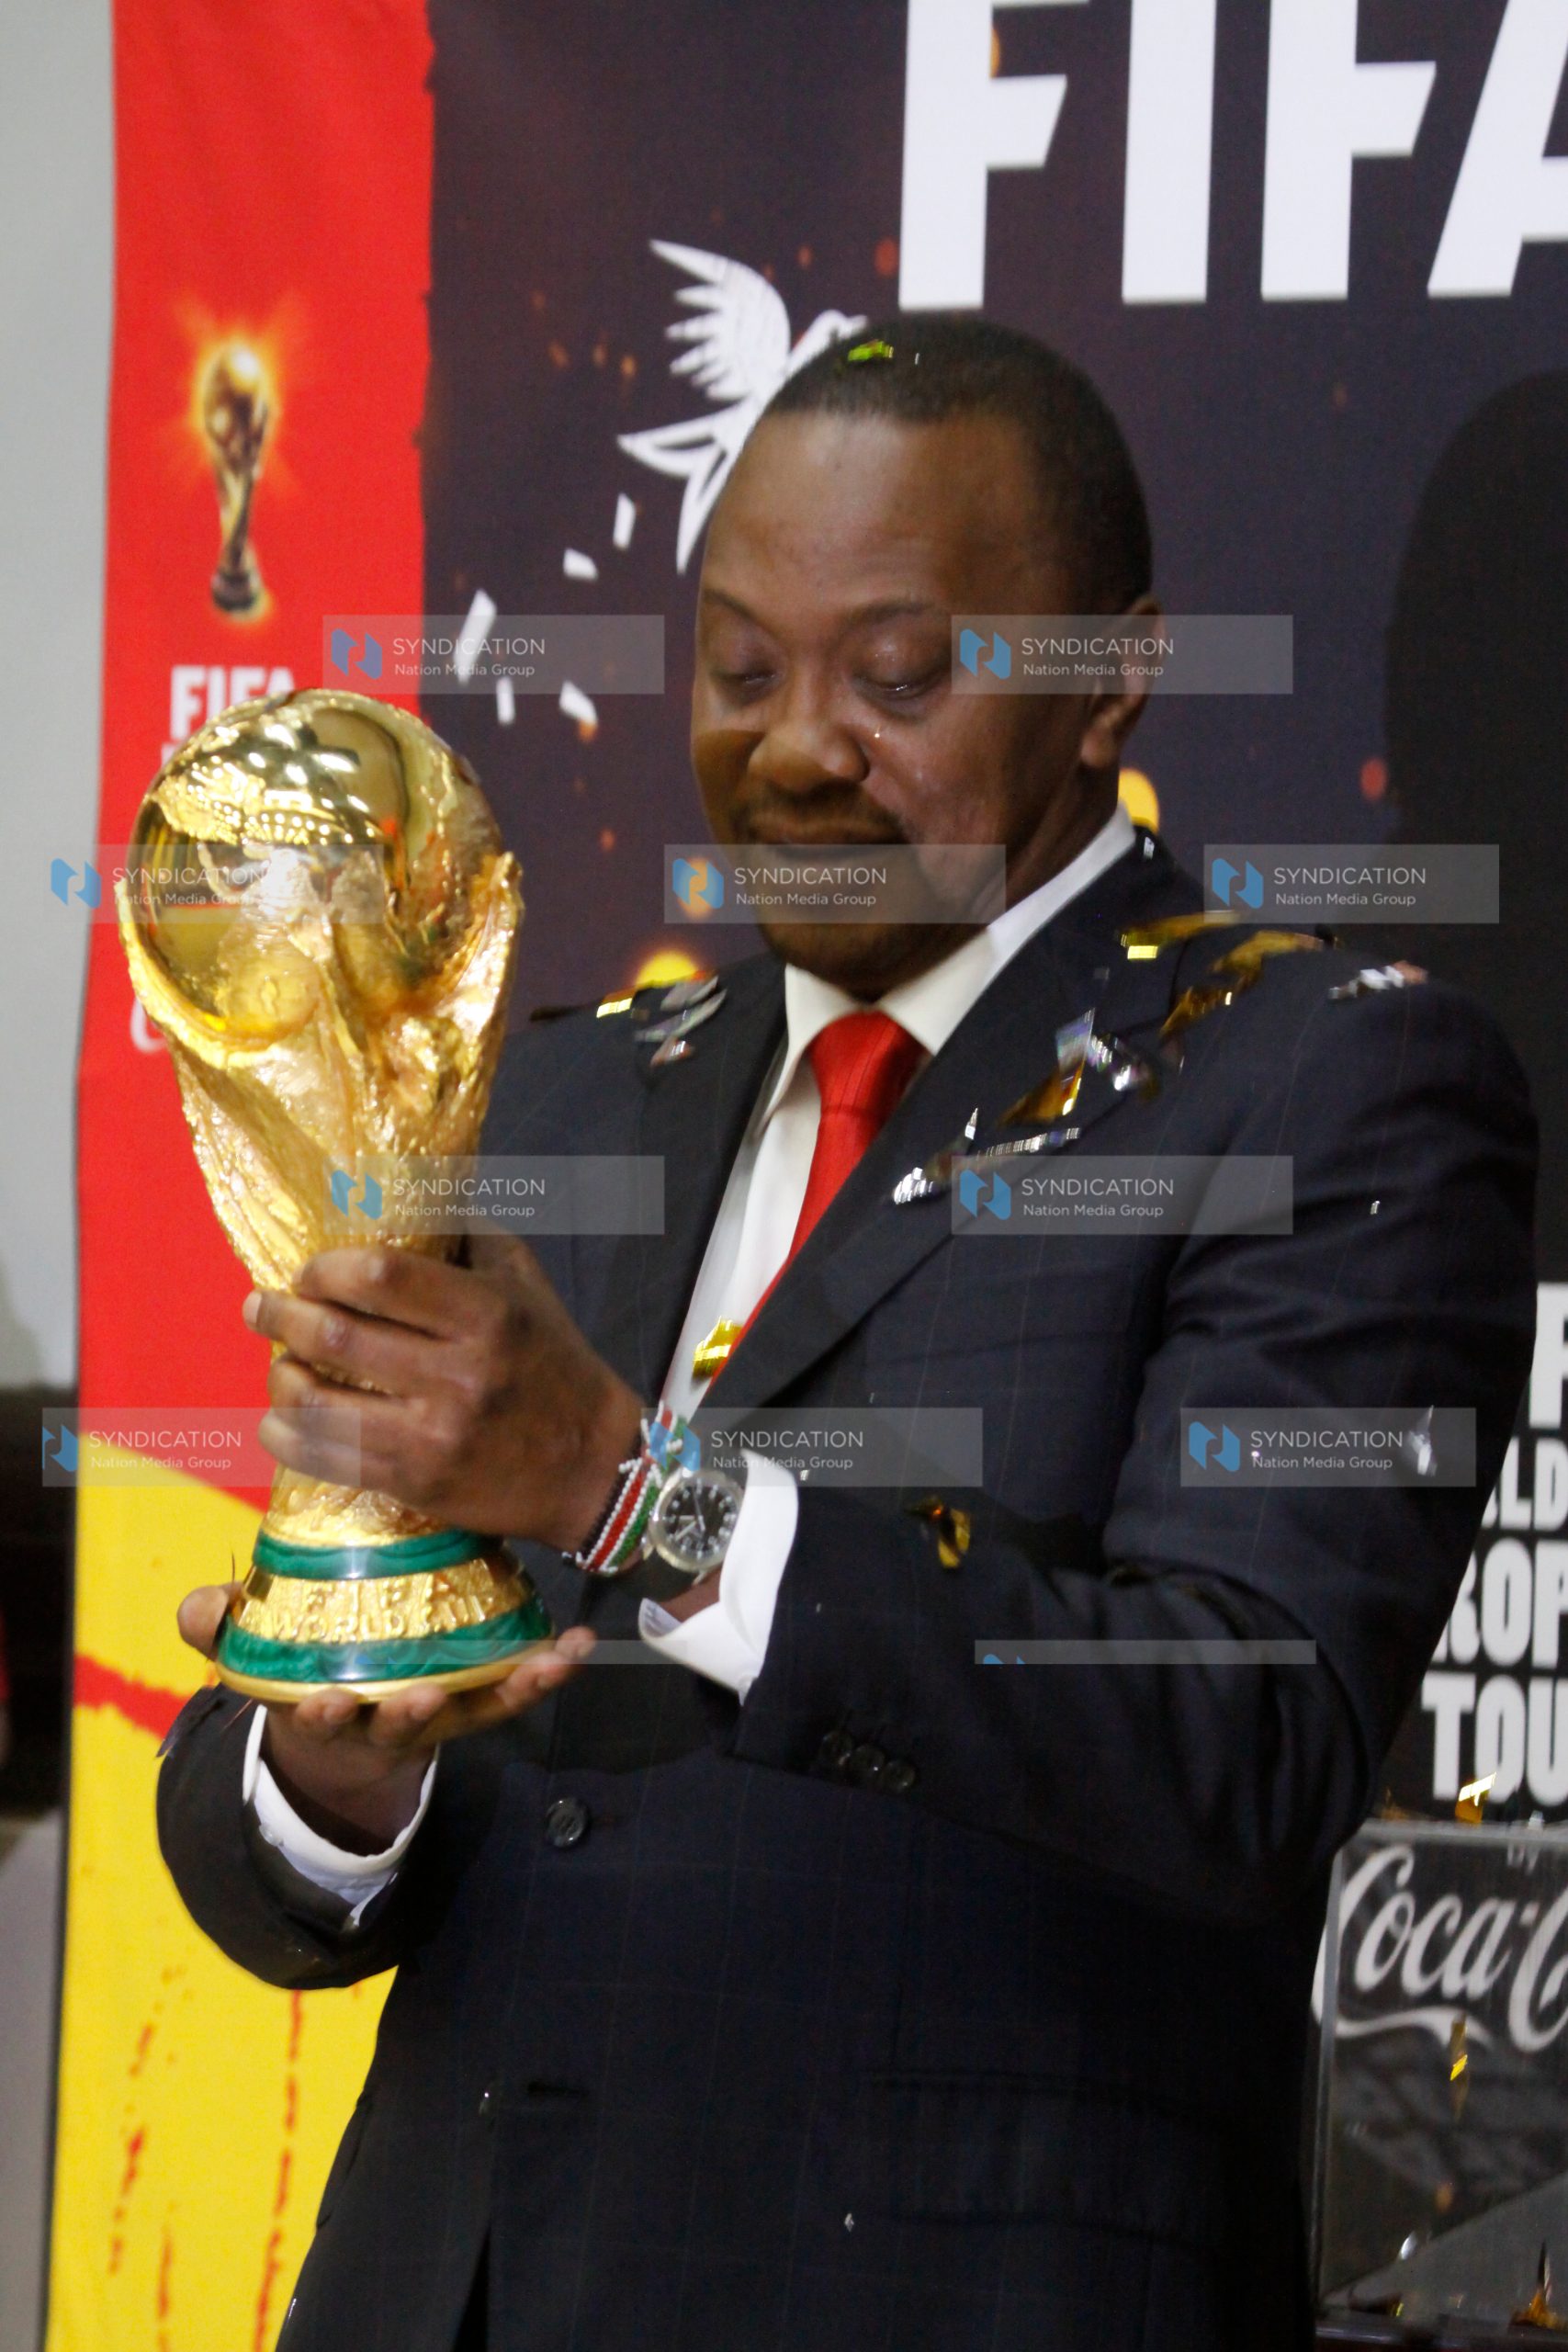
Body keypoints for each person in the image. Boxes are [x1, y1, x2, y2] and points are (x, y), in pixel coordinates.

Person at [158, 321, 1536, 2352]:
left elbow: (1249, 1739)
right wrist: (325, 1772)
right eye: (735, 668)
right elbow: (276, 1820)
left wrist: (643, 1492)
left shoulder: (1323, 1081)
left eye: (896, 674)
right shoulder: (546, 1102)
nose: (795, 742)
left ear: (1108, 675)